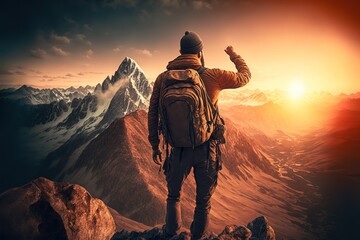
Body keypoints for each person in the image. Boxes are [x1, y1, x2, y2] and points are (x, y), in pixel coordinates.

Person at [148, 31, 251, 239]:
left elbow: (153, 113)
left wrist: (154, 145)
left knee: (173, 195)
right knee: (203, 201)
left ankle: (171, 233)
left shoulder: (163, 79)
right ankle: (198, 236)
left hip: (177, 149)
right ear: (200, 52)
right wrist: (233, 54)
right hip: (206, 149)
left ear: (180, 53)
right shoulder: (212, 75)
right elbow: (245, 77)